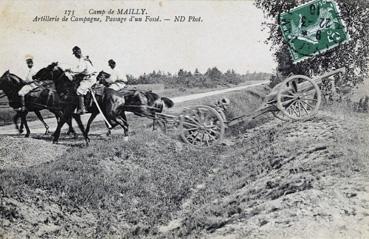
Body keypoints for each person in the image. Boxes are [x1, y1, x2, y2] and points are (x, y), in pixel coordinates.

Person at [65, 46, 97, 114]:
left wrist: (70, 70)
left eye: (75, 54)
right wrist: (72, 73)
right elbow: (78, 69)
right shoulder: (82, 59)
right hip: (87, 78)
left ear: (78, 52)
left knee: (79, 91)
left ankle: (83, 109)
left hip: (90, 79)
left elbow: (80, 70)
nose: (75, 55)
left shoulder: (83, 60)